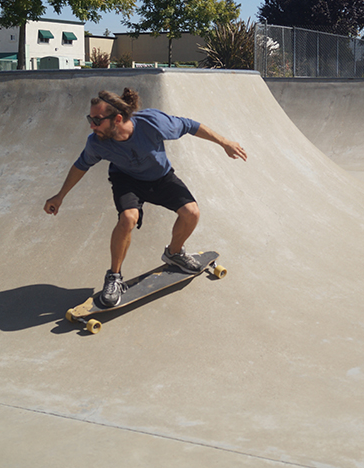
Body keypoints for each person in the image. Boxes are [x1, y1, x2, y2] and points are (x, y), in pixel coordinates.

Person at [44, 88, 247, 307]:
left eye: (97, 120)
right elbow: (80, 166)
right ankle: (114, 276)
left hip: (160, 177)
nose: (92, 126)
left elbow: (190, 125)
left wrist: (225, 142)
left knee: (192, 213)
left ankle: (174, 253)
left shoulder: (153, 123)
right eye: (90, 119)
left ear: (118, 119)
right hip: (126, 180)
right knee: (128, 219)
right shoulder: (97, 142)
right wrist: (60, 196)